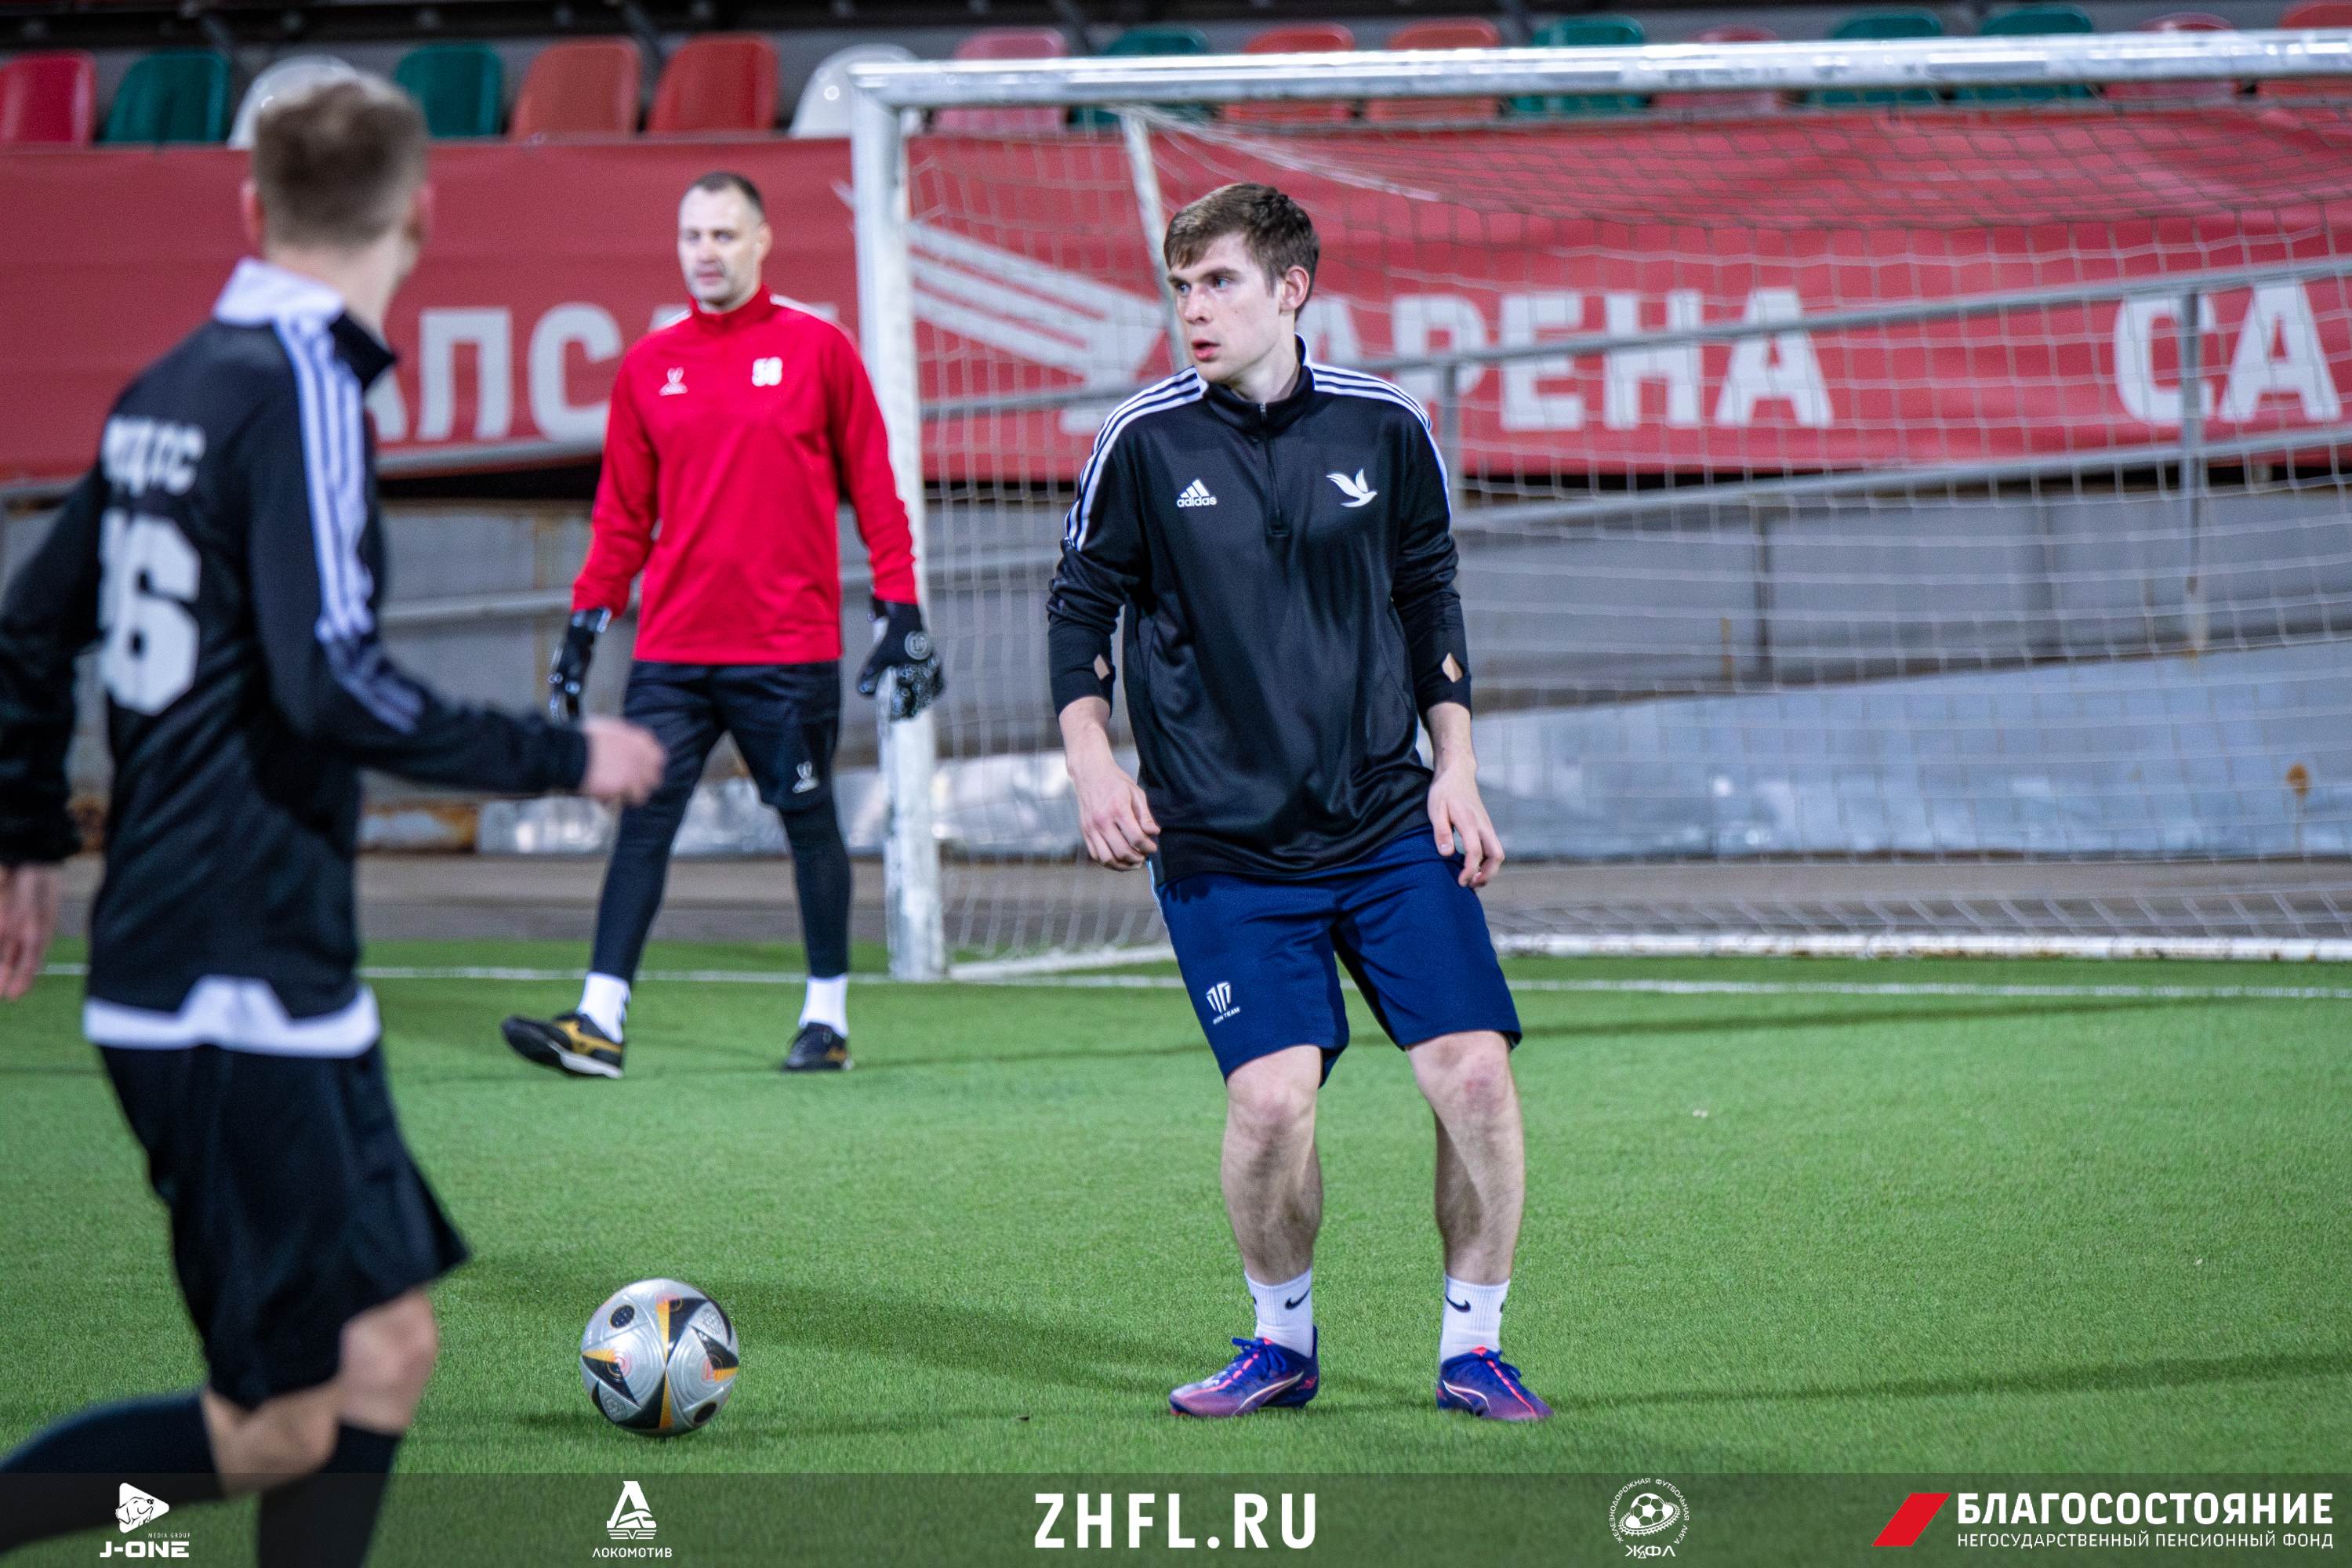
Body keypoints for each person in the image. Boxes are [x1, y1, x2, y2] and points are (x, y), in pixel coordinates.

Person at [0, 77, 666, 1563]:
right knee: (284, 1425)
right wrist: (566, 752)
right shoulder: (301, 386)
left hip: (256, 968)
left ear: (252, 207)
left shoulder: (171, 381)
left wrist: (27, 840)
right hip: (233, 972)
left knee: (389, 1354)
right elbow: (331, 685)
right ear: (422, 215)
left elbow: (30, 624)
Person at [1046, 183, 1548, 1421]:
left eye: (1218, 282)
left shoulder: (1388, 425)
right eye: (1181, 287)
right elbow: (1077, 609)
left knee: (1476, 1078)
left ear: (1291, 290)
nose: (1193, 310)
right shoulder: (1143, 441)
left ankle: (1474, 1348)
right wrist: (1093, 762)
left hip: (1385, 821)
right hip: (1222, 842)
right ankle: (1281, 1343)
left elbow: (1429, 596)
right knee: (1271, 1102)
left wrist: (1457, 765)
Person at [499, 170, 938, 1080]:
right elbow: (623, 518)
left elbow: (876, 491)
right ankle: (598, 1022)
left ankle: (826, 1021)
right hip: (671, 652)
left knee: (809, 821)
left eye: (724, 235)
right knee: (642, 823)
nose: (706, 252)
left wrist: (900, 606)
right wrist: (585, 620)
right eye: (692, 235)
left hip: (789, 651)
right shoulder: (648, 367)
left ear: (762, 240)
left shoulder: (820, 351)